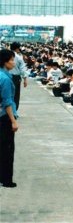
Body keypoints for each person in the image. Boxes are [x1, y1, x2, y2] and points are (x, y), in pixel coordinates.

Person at [0, 49, 19, 188]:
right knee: (7, 149)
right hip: (5, 117)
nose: (14, 62)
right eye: (12, 60)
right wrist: (13, 120)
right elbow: (7, 102)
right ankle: (6, 179)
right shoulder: (5, 79)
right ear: (5, 62)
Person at [9, 42, 28, 111]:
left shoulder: (5, 55)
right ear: (17, 48)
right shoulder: (18, 57)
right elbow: (23, 69)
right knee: (15, 95)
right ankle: (14, 111)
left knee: (7, 94)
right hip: (15, 78)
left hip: (5, 76)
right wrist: (25, 79)